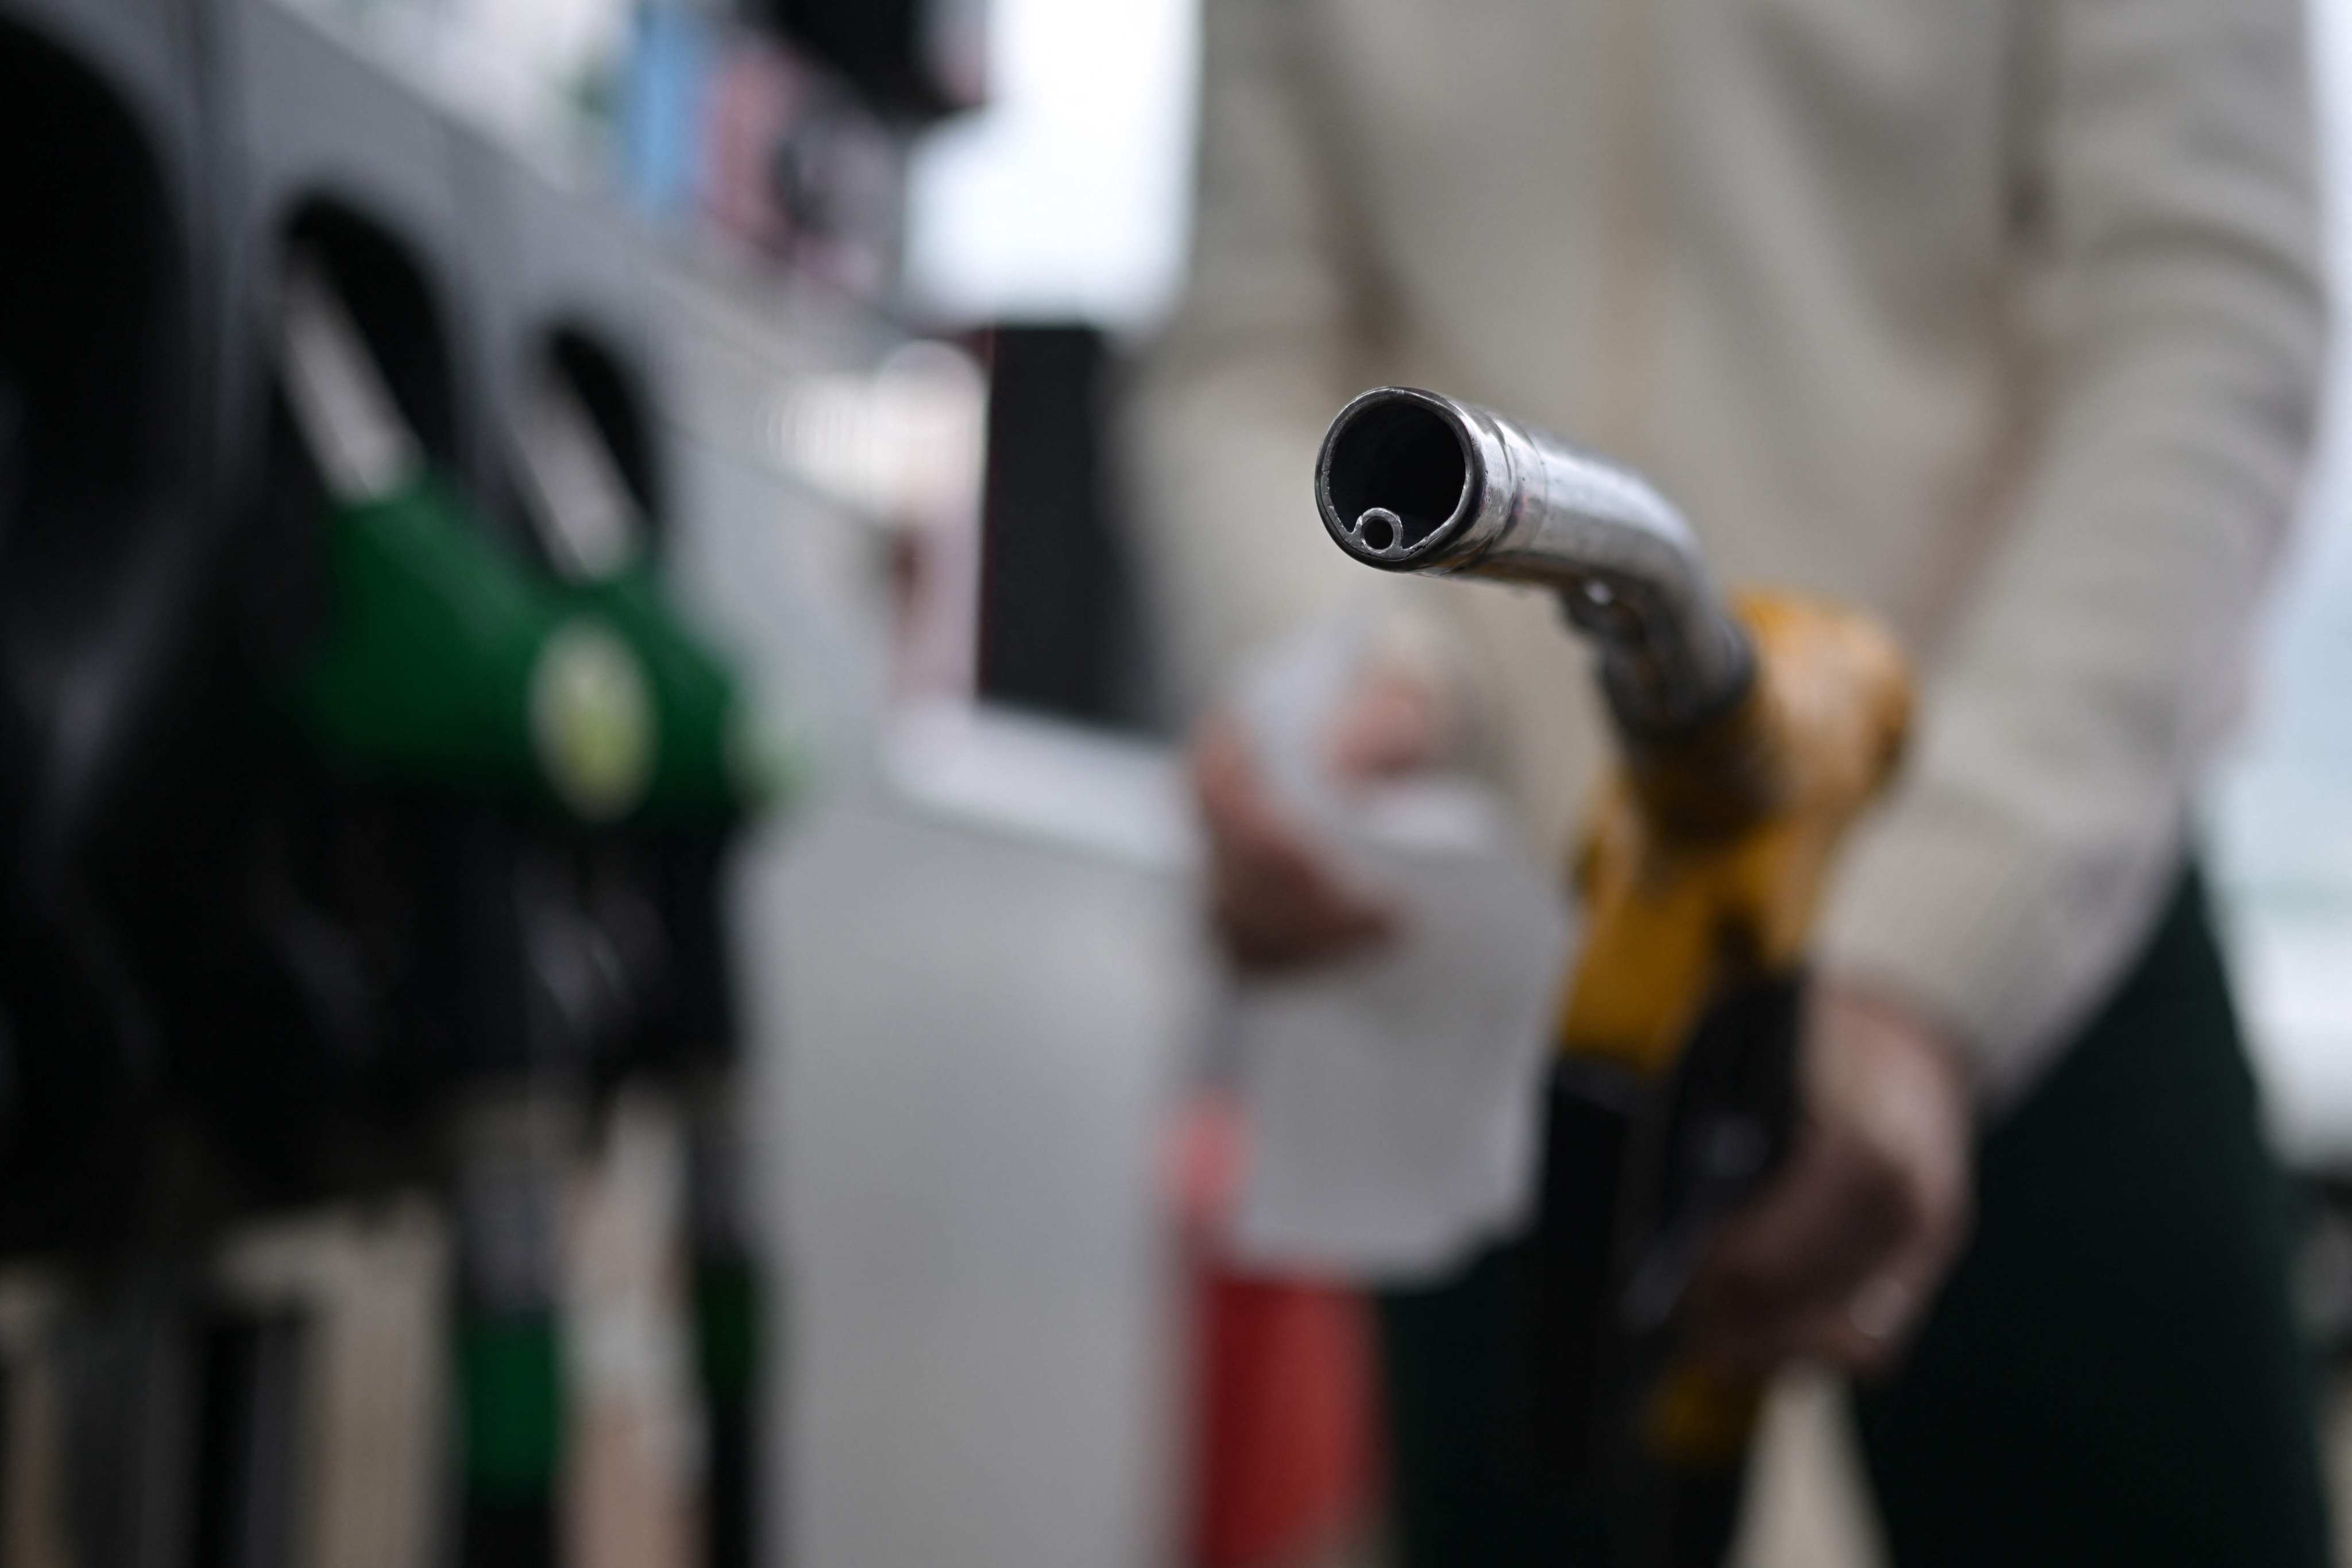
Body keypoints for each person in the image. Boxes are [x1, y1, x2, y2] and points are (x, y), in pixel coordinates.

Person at [1125, 0, 2333, 1563]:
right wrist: (1337, 672)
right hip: (1512, 943)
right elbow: (1244, 342)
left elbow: (2198, 317)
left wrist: (1939, 949)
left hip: (2039, 890)